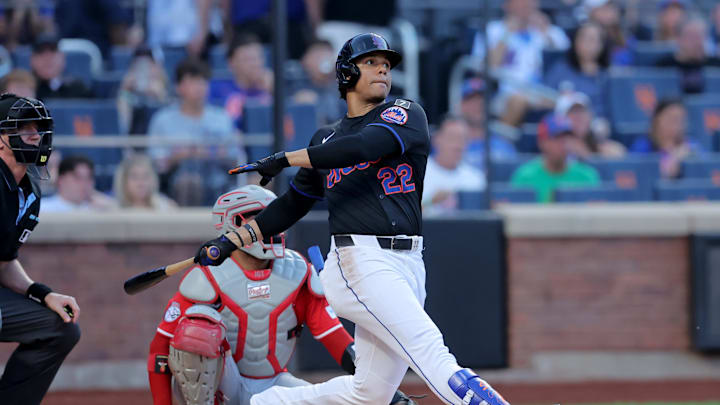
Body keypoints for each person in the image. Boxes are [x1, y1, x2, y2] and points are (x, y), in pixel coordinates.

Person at [194, 32, 510, 405]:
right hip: (360, 262)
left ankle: (263, 403)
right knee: (432, 354)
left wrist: (286, 158)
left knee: (370, 393)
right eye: (371, 62)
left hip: (409, 262)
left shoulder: (406, 113)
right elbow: (293, 204)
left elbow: (364, 145)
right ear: (346, 73)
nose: (382, 70)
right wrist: (231, 240)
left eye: (386, 64)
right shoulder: (324, 141)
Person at [147, 185, 416, 405]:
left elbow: (335, 338)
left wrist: (380, 388)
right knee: (197, 325)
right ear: (231, 224)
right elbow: (160, 351)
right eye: (259, 218)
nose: (270, 225)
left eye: (274, 216)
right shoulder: (206, 278)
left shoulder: (297, 273)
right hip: (220, 391)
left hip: (273, 385)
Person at [0, 93, 80, 405]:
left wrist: (42, 293)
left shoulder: (30, 187)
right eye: (23, 128)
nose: (35, 135)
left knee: (61, 328)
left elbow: (5, 262)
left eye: (38, 128)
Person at [147, 58, 243, 206]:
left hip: (218, 175)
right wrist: (178, 156)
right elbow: (155, 161)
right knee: (189, 182)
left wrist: (214, 153)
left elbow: (236, 156)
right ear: (179, 87)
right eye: (192, 81)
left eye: (202, 81)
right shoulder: (162, 119)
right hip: (177, 177)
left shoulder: (222, 117)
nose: (199, 87)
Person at [484, 0, 569, 127]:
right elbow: (490, 66)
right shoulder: (494, 29)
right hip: (505, 94)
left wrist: (545, 30)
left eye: (530, 3)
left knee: (572, 103)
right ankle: (501, 143)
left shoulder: (547, 30)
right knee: (518, 99)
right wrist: (507, 33)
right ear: (507, 5)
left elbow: (570, 58)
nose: (525, 6)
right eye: (520, 3)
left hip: (543, 92)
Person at [510, 114, 600, 203]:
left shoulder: (587, 176)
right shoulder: (525, 177)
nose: (563, 143)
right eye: (557, 138)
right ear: (542, 142)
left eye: (567, 137)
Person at [544, 22, 610, 118]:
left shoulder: (607, 77)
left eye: (592, 40)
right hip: (562, 126)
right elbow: (543, 97)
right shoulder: (560, 69)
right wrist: (561, 100)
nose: (587, 44)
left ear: (601, 45)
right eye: (583, 38)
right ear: (575, 41)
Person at [209, 33, 272, 132]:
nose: (255, 64)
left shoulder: (271, 87)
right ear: (231, 63)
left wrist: (273, 91)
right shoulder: (216, 89)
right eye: (248, 59)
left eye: (258, 58)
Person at [423, 116, 485, 213]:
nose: (458, 145)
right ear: (436, 139)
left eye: (463, 139)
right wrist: (431, 201)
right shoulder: (417, 173)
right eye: (452, 138)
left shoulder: (476, 178)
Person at [630, 99, 701, 179]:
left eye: (681, 119)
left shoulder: (691, 146)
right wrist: (675, 159)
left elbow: (705, 170)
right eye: (672, 118)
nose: (677, 124)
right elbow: (639, 177)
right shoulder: (642, 146)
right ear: (657, 120)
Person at [457, 77, 517, 172]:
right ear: (461, 105)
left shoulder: (504, 146)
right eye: (471, 99)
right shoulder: (449, 144)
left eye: (484, 99)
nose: (479, 104)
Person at [656, 18, 720, 94]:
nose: (697, 41)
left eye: (700, 36)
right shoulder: (663, 66)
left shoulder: (716, 65)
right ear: (678, 39)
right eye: (691, 36)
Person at [116, 44, 170, 134]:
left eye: (149, 64)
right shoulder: (126, 92)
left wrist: (161, 98)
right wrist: (124, 91)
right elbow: (117, 126)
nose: (143, 69)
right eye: (138, 64)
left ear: (158, 67)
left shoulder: (172, 90)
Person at [555, 91, 625, 159]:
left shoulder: (601, 144)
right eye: (573, 112)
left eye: (582, 111)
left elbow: (619, 156)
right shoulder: (555, 146)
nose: (579, 117)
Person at [292, 39, 346, 125]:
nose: (321, 61)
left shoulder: (344, 86)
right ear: (305, 60)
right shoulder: (295, 82)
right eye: (317, 56)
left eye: (325, 56)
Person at [40, 154, 114, 212]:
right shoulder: (43, 208)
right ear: (61, 180)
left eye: (89, 177)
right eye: (78, 177)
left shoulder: (99, 209)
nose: (84, 183)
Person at [29, 33, 94, 99]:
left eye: (53, 50)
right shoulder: (25, 90)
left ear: (62, 58)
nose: (47, 58)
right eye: (41, 52)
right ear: (32, 60)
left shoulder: (78, 89)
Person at [112, 154, 176, 210]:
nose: (141, 183)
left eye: (145, 176)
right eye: (134, 177)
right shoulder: (114, 209)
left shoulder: (165, 207)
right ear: (124, 180)